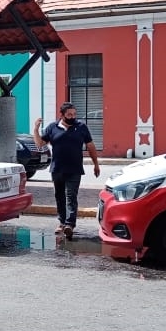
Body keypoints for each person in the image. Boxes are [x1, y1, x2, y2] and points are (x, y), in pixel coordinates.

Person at [33, 102, 101, 239]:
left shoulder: (81, 127)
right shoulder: (52, 128)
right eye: (69, 114)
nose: (72, 117)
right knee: (59, 196)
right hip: (57, 169)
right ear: (62, 115)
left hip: (75, 169)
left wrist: (96, 164)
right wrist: (36, 129)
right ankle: (61, 222)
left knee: (71, 196)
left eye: (74, 114)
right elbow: (40, 144)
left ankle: (70, 224)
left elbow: (91, 146)